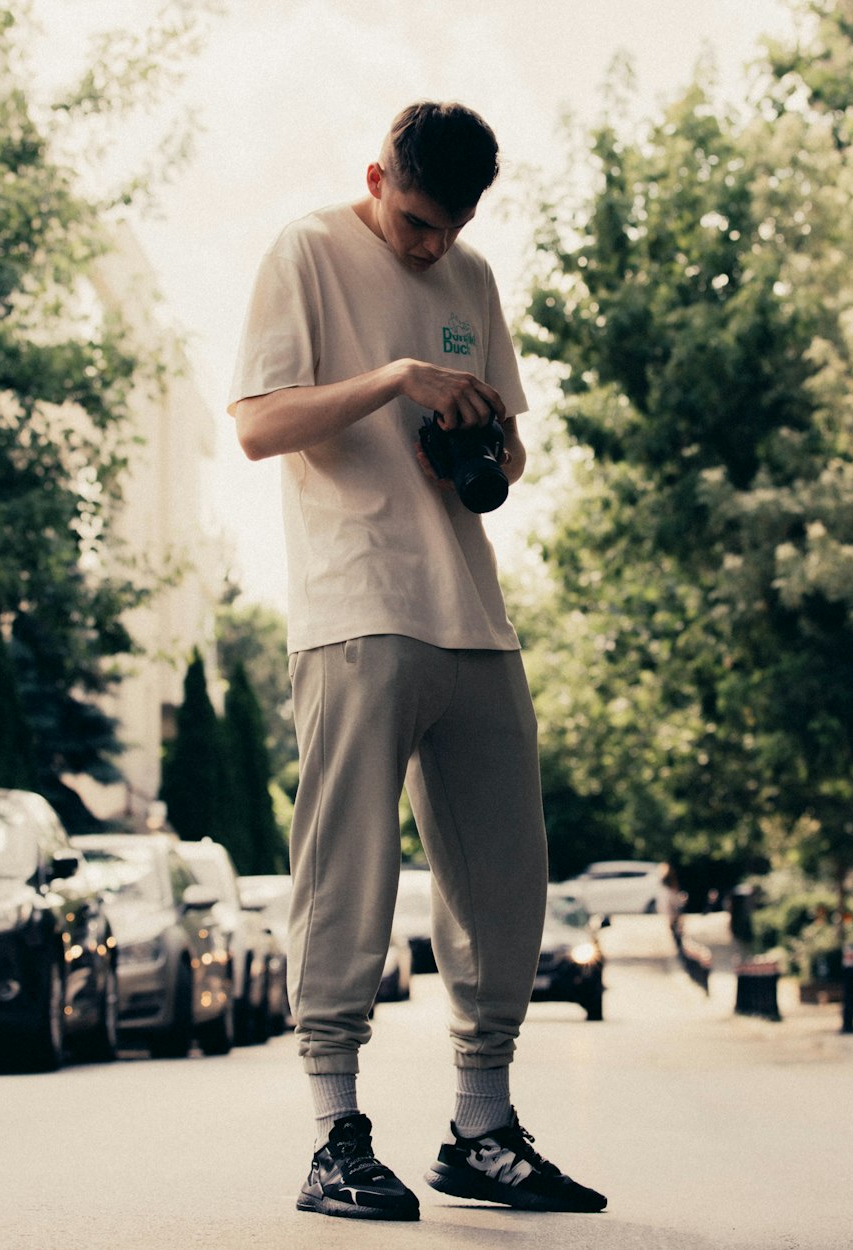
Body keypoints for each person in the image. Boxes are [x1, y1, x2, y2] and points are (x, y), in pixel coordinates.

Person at [228, 100, 606, 1223]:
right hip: (357, 601)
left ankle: (480, 1131)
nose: (431, 245)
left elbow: (513, 446)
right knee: (349, 871)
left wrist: (486, 436)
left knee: (503, 877)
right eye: (418, 220)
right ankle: (334, 1133)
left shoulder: (472, 276)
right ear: (377, 176)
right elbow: (255, 424)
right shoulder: (307, 248)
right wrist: (398, 377)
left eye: (453, 226)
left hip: (471, 610)